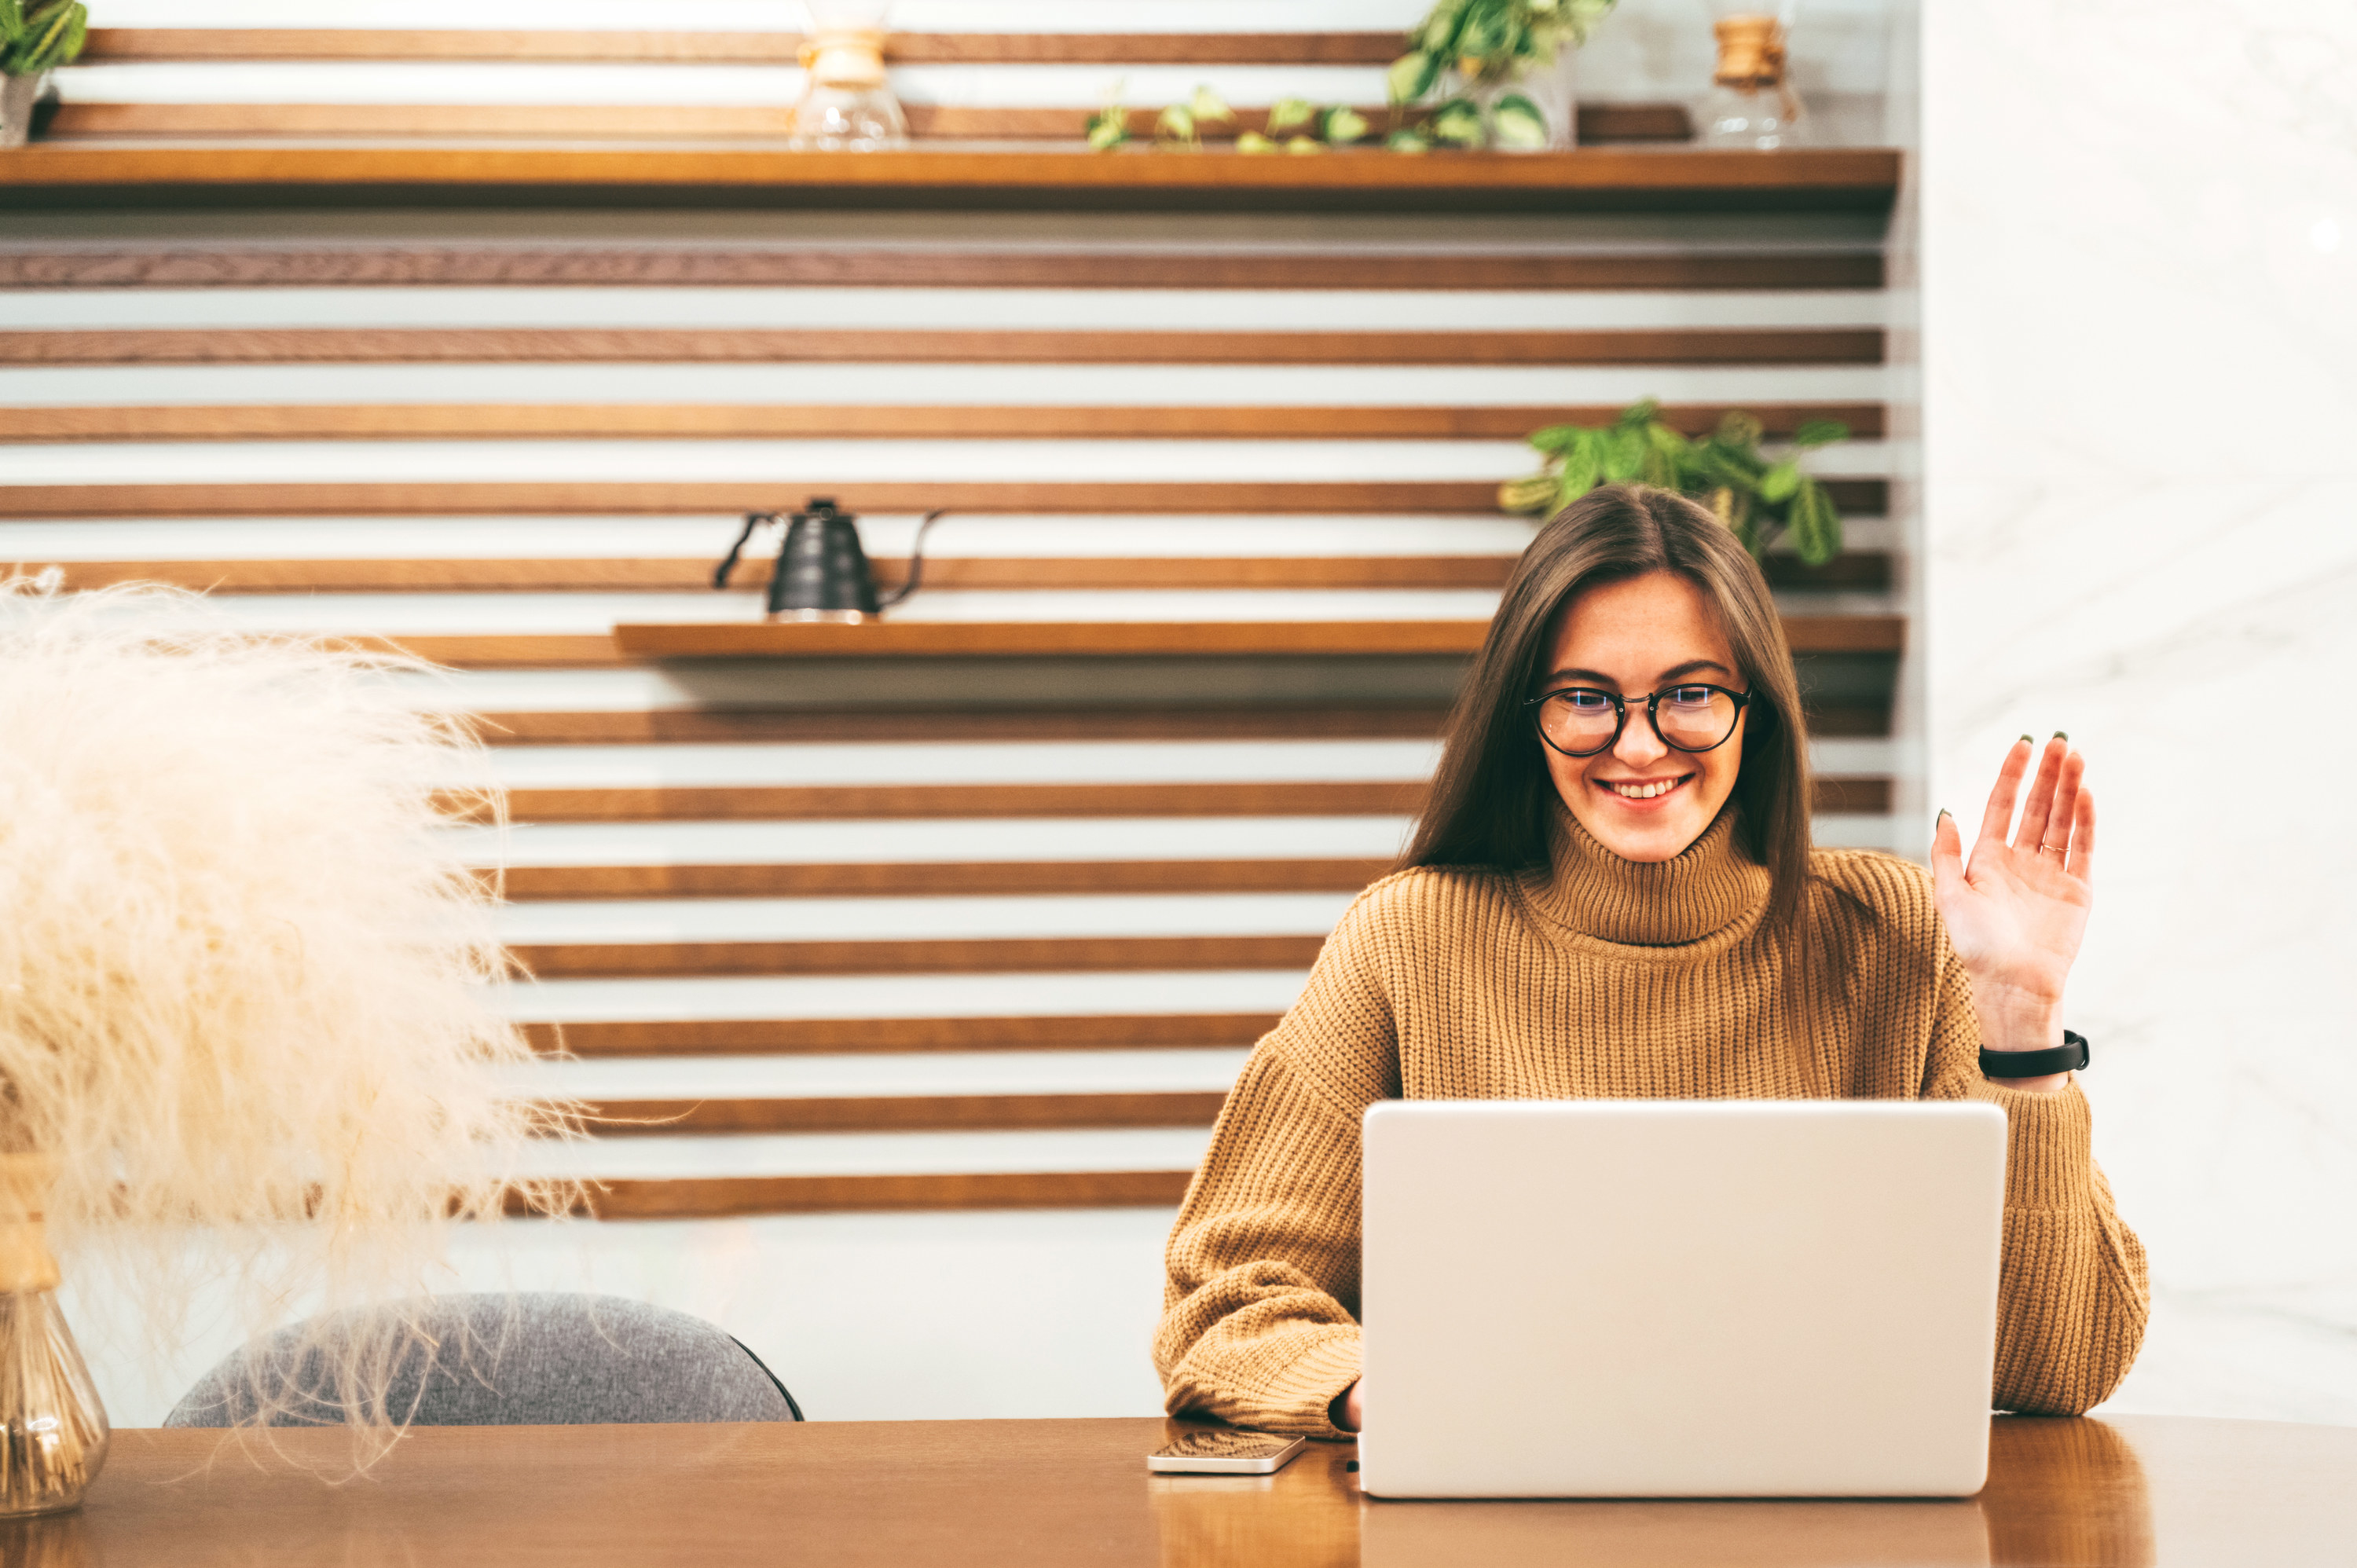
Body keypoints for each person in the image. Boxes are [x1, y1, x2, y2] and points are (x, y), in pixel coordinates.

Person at [1153, 484, 2148, 1437]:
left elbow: (2051, 1369)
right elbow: (1224, 1303)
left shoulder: (1891, 933)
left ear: (1753, 708)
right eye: (1588, 697)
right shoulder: (1407, 940)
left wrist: (2020, 1032)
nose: (1638, 745)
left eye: (1689, 694)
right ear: (1526, 714)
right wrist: (1382, 1391)